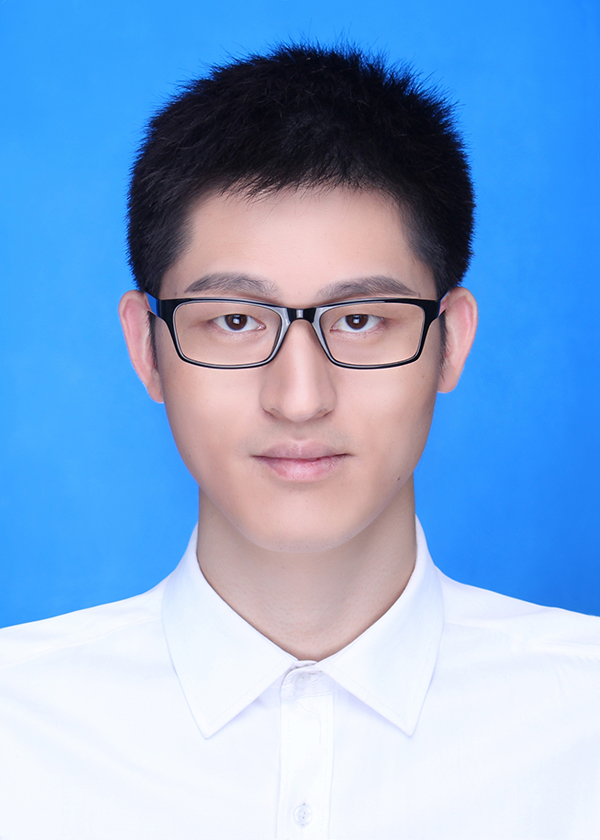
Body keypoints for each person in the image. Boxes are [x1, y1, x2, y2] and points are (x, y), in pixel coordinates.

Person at [1, 42, 598, 840]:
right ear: (147, 348)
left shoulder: (582, 723)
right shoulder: (17, 730)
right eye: (235, 321)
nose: (300, 398)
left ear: (451, 342)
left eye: (361, 320)